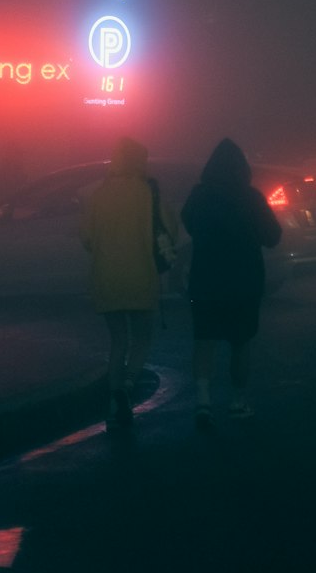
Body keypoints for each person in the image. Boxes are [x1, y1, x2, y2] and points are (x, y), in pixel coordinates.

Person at [181, 138, 282, 428]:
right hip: (244, 282)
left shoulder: (198, 196)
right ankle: (237, 402)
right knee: (240, 343)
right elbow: (273, 237)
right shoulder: (251, 198)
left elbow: (187, 222)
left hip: (204, 281)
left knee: (204, 341)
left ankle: (203, 402)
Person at [81, 136, 177, 432]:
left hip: (107, 279)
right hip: (141, 277)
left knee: (118, 342)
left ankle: (113, 402)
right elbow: (170, 229)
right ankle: (129, 384)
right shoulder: (147, 193)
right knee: (142, 339)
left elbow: (87, 239)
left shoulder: (97, 195)